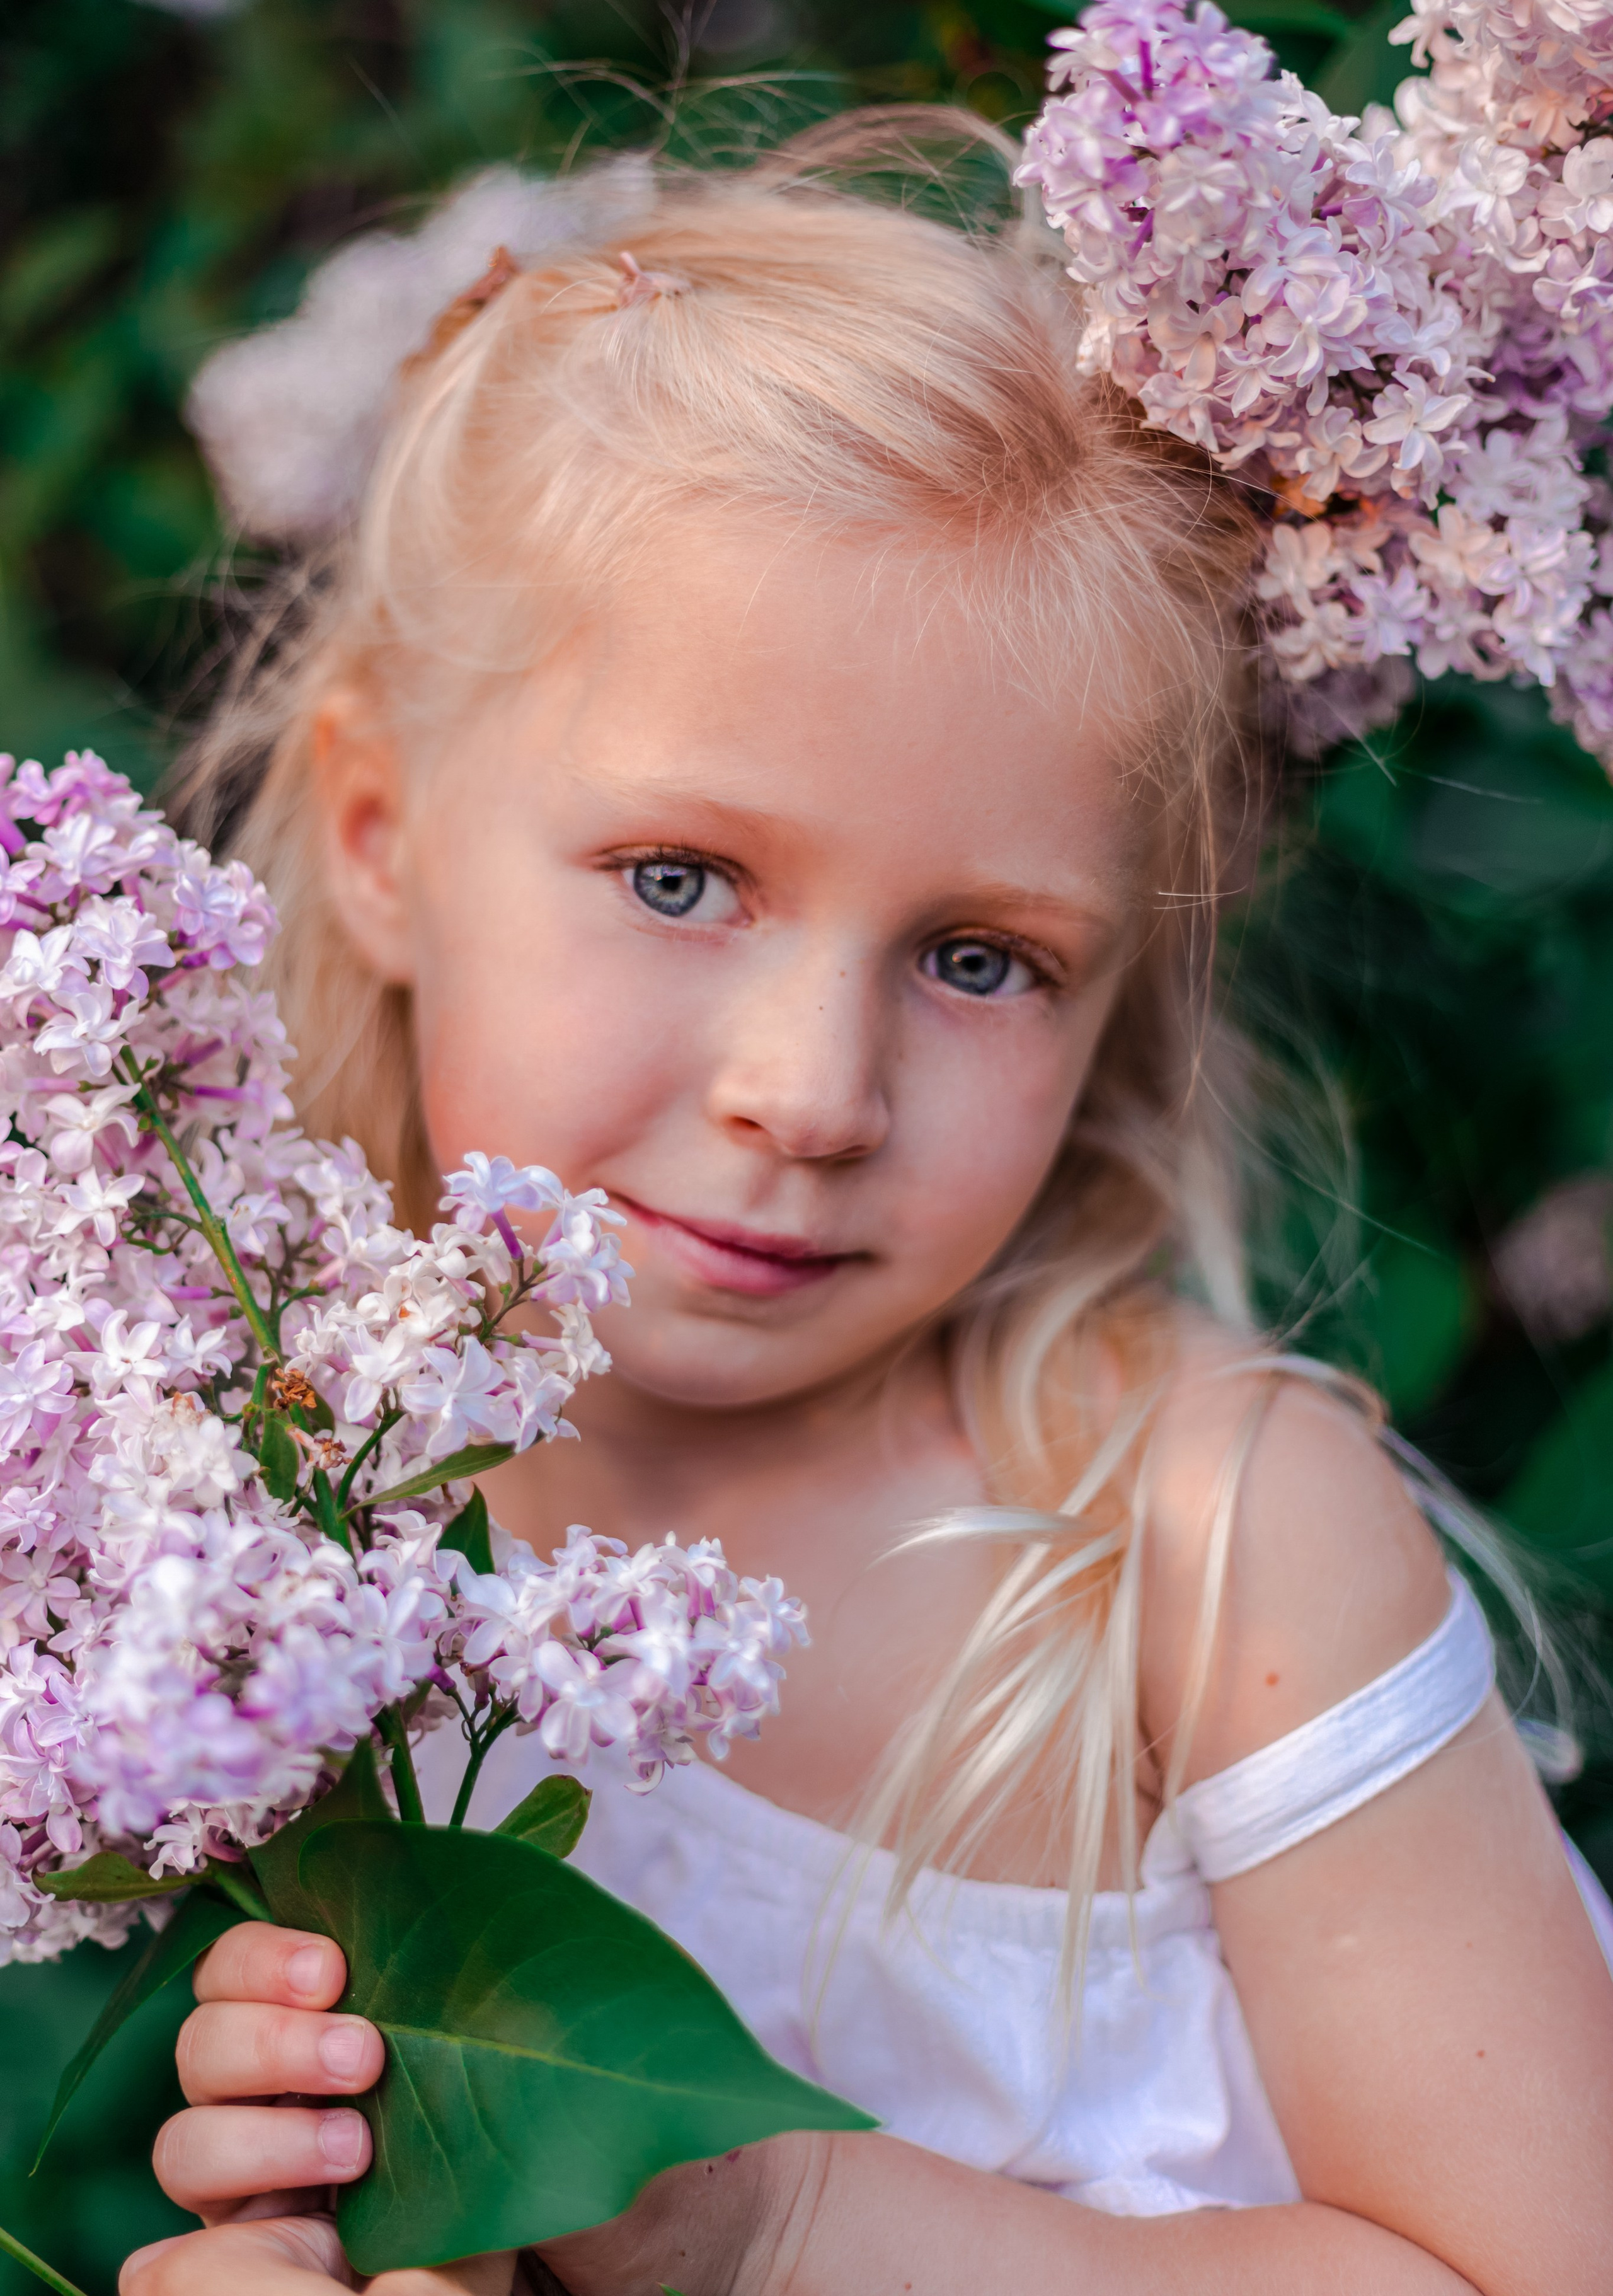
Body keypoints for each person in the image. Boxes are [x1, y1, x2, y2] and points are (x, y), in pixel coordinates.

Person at [118, 122, 1613, 2296]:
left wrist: (781, 2223)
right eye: (680, 881)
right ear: (376, 833)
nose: (812, 1097)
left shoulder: (1194, 1537)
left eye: (980, 956)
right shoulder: (268, 1557)